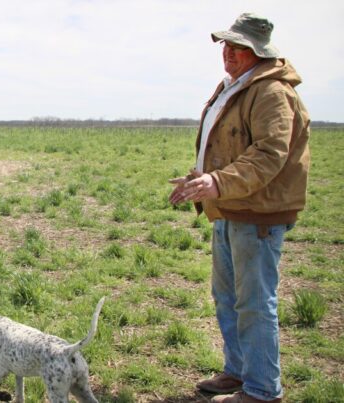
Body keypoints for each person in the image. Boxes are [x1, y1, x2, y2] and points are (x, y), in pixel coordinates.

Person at [168, 13, 310, 403]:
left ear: (258, 52)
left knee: (254, 303)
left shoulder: (272, 92)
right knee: (228, 297)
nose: (228, 53)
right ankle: (239, 372)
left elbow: (269, 155)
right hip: (230, 206)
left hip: (258, 213)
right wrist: (201, 178)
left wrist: (216, 182)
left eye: (238, 47)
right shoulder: (235, 86)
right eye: (226, 45)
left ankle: (263, 391)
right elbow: (229, 146)